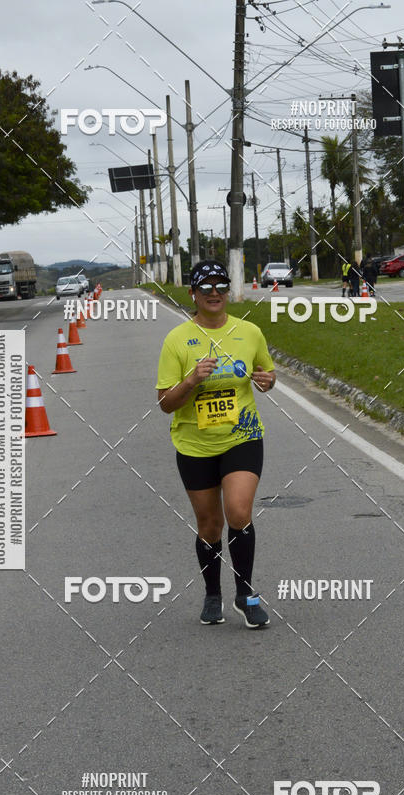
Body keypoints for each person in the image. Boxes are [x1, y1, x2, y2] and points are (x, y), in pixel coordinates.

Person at [156, 260, 276, 629]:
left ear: (227, 292)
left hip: (242, 436)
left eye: (220, 287)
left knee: (239, 512)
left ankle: (246, 595)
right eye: (205, 288)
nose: (213, 294)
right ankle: (212, 594)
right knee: (210, 525)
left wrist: (266, 381)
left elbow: (267, 373)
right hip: (194, 444)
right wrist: (191, 380)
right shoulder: (177, 340)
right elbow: (165, 403)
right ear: (192, 294)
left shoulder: (250, 332)